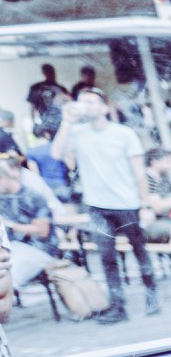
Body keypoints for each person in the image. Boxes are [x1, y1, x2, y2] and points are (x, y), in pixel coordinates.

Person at [52, 88, 157, 322]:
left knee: (139, 251)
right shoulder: (77, 132)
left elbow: (140, 173)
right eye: (81, 102)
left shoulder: (123, 134)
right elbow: (57, 154)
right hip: (97, 206)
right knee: (107, 257)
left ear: (104, 107)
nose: (85, 106)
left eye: (90, 102)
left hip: (127, 203)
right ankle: (118, 307)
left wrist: (146, 205)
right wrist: (66, 122)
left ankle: (152, 294)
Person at [0, 157, 59, 297]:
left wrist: (11, 226)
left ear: (3, 178)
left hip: (39, 249)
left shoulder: (33, 197)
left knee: (7, 277)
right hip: (14, 248)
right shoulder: (2, 198)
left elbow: (42, 232)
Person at [26, 65, 68, 139]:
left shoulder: (60, 89)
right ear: (44, 73)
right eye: (48, 72)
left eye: (52, 72)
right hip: (42, 123)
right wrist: (34, 121)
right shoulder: (36, 87)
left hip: (58, 123)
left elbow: (66, 105)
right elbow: (32, 106)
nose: (50, 74)